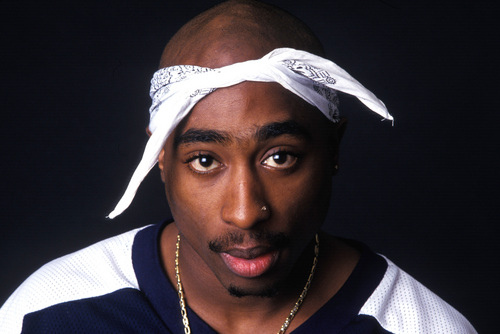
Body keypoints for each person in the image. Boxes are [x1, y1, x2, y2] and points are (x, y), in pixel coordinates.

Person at [0, 0, 477, 333]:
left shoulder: (420, 326)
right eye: (205, 160)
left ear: (333, 149)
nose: (246, 213)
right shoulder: (49, 311)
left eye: (280, 157)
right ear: (162, 158)